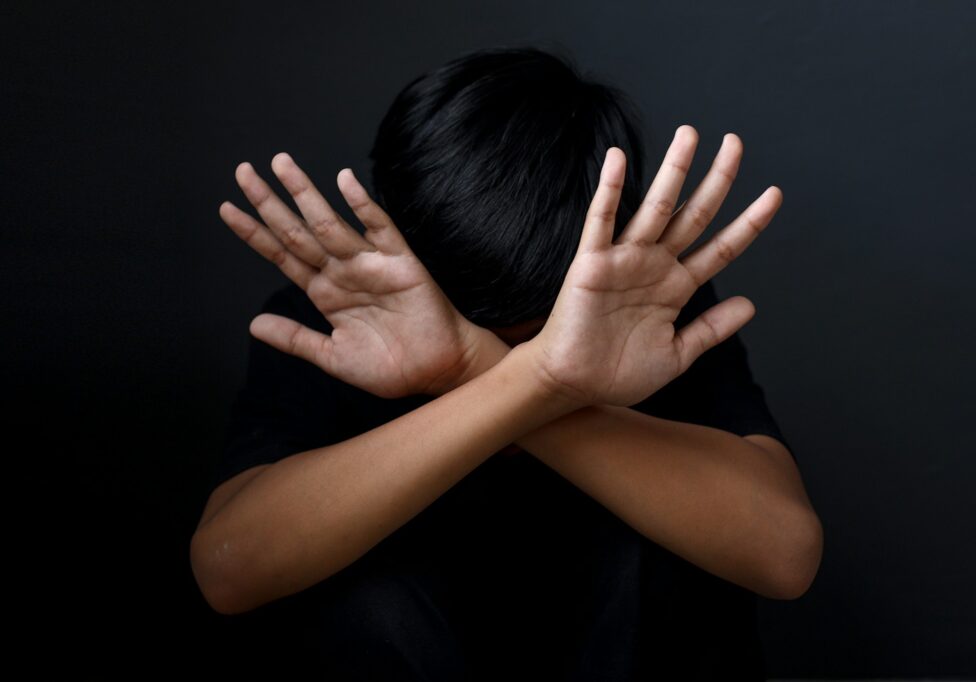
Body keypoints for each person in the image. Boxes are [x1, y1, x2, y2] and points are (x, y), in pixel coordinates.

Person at [190, 46, 823, 681]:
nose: (527, 350)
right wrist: (531, 378)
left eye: (536, 333)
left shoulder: (650, 305)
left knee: (664, 561)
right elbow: (229, 567)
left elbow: (785, 555)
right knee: (363, 592)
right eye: (485, 331)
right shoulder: (339, 315)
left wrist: (485, 369)